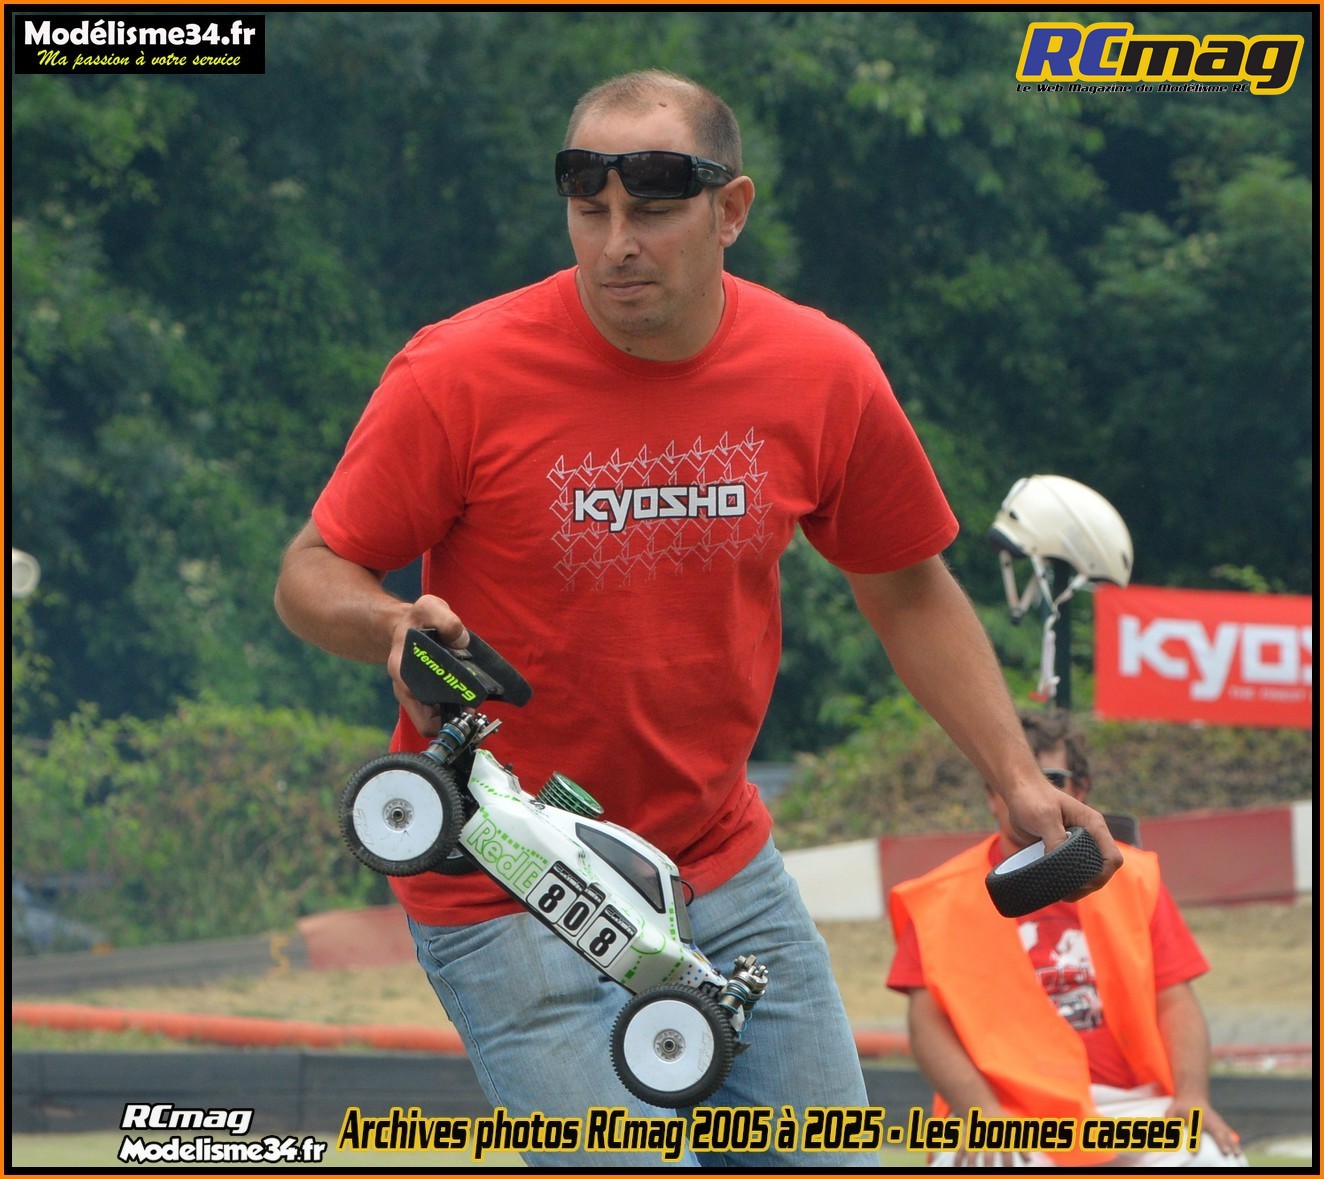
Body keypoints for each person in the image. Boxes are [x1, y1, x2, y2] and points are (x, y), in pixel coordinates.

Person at [274, 69, 1121, 1168]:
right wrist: (391, 624)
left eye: (652, 210)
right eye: (590, 211)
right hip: (505, 880)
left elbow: (905, 585)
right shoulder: (459, 370)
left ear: (731, 211)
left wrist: (1013, 776)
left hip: (717, 868)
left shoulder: (820, 370)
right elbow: (312, 571)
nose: (617, 243)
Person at [887, 709, 1246, 1168]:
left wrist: (1192, 1097)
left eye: (1051, 779)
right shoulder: (938, 898)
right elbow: (928, 1028)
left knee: (1212, 1158)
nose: (1033, 794)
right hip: (1008, 1113)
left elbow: (1175, 1000)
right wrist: (982, 1113)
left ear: (1081, 791)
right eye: (1012, 780)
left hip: (1130, 1104)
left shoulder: (1136, 877)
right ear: (991, 795)